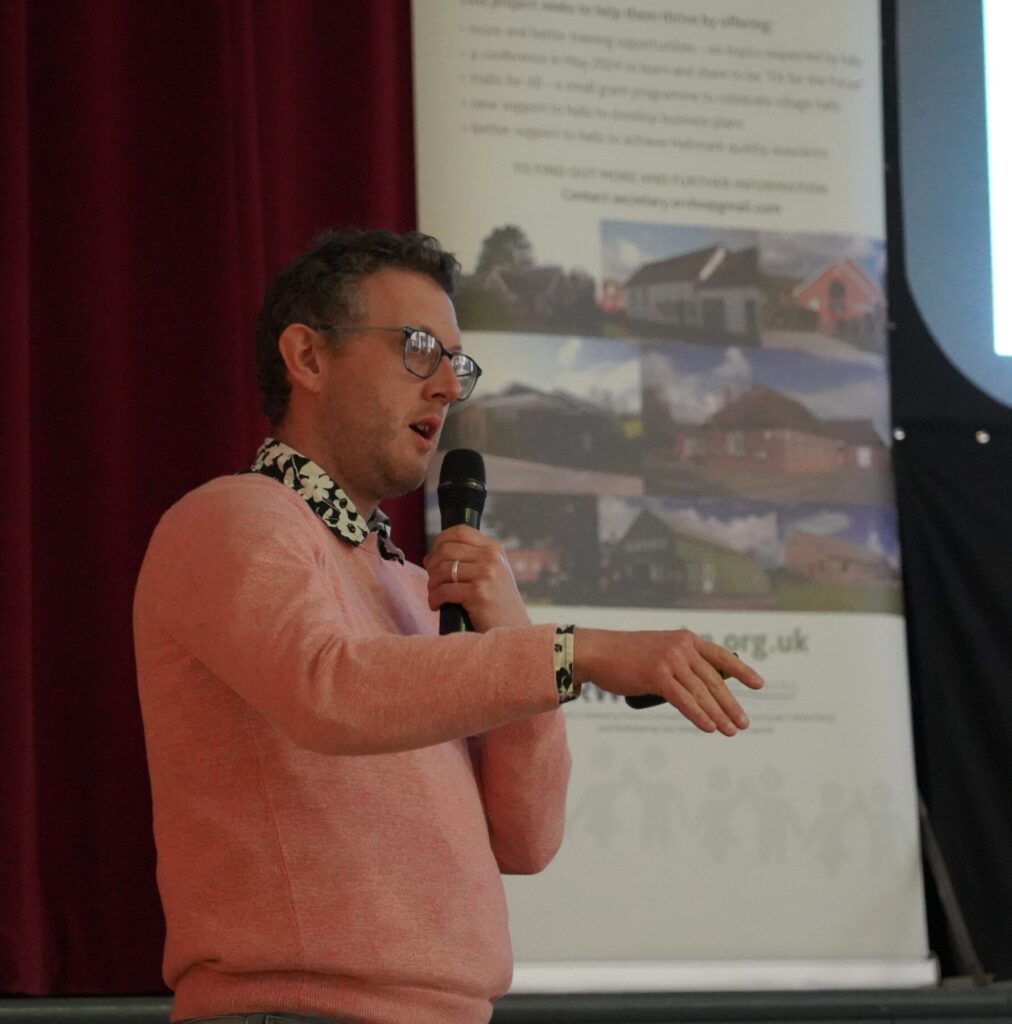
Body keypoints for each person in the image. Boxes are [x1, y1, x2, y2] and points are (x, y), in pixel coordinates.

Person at [133, 227, 764, 1024]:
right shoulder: (233, 519)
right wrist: (577, 653)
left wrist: (514, 638)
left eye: (456, 365)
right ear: (309, 357)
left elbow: (525, 841)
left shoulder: (406, 584)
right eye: (418, 348)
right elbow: (329, 691)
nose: (445, 388)